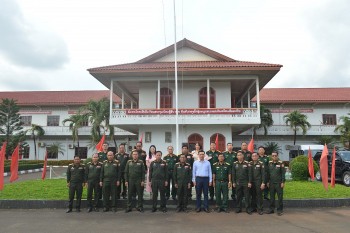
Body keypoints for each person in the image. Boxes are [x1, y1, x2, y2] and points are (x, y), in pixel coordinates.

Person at [266, 151, 285, 216]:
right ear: (271, 156)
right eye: (273, 155)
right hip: (271, 183)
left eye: (275, 155)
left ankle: (279, 210)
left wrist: (283, 182)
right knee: (271, 197)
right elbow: (268, 173)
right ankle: (271, 209)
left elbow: (283, 174)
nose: (274, 157)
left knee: (280, 197)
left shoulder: (281, 163)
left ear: (277, 156)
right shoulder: (269, 163)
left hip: (279, 183)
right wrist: (268, 181)